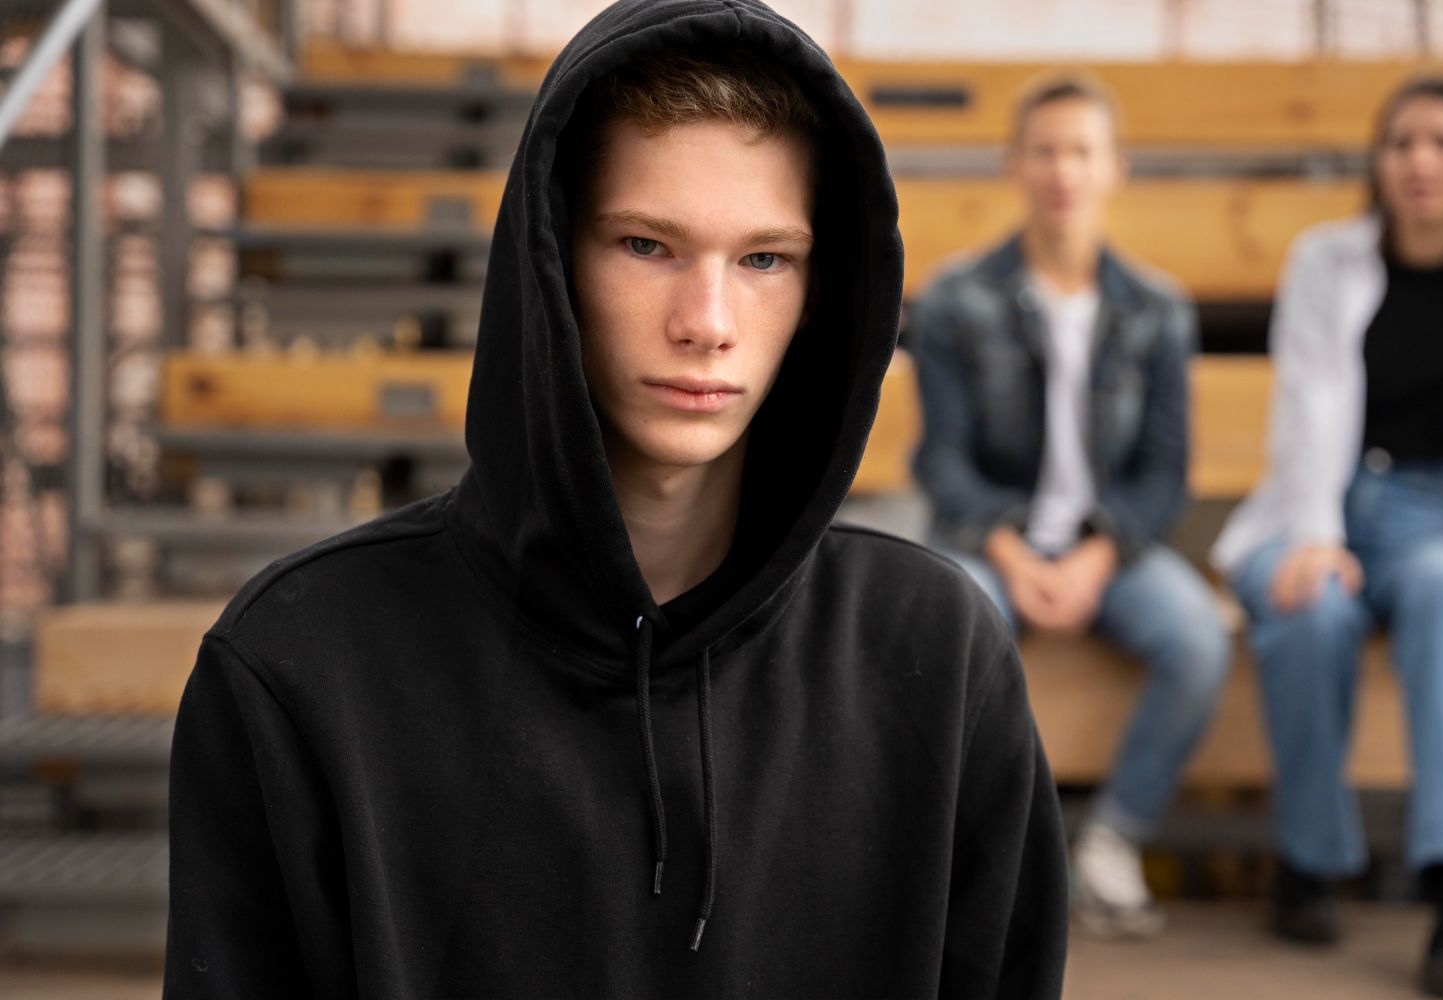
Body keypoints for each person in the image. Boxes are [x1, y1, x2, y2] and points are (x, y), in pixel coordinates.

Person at [163, 1, 1069, 996]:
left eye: (765, 259)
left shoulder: (935, 660)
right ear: (551, 260)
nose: (707, 322)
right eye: (646, 245)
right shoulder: (302, 664)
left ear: (821, 288)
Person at [910, 76, 1230, 940]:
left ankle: (1111, 843)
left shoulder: (1156, 308)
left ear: (1113, 168)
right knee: (963, 620)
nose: (1063, 170)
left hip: (1110, 549)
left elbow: (1165, 472)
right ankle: (984, 859)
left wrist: (1096, 555)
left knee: (1198, 637)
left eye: (1082, 151)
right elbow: (941, 460)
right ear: (1015, 163)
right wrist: (1014, 556)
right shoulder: (953, 299)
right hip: (994, 542)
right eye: (1046, 149)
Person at [1213, 75, 1443, 998]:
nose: (1419, 161)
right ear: (1379, 160)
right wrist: (1311, 535)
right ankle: (1310, 860)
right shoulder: (1324, 258)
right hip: (1320, 497)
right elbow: (1305, 406)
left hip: (1441, 519)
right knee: (1312, 610)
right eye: (1402, 142)